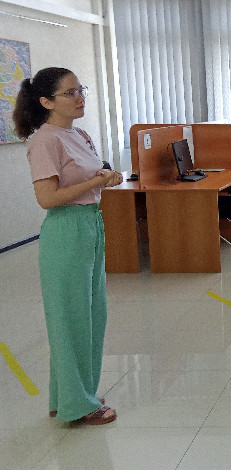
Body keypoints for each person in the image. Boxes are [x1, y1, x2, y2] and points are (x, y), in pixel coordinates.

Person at [13, 67, 122, 425]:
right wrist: (96, 182)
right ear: (46, 102)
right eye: (70, 93)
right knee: (70, 320)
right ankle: (78, 404)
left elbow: (94, 174)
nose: (80, 98)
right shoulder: (45, 141)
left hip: (90, 224)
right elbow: (47, 198)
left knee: (91, 316)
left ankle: (70, 395)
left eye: (81, 90)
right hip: (66, 231)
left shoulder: (80, 135)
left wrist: (107, 176)